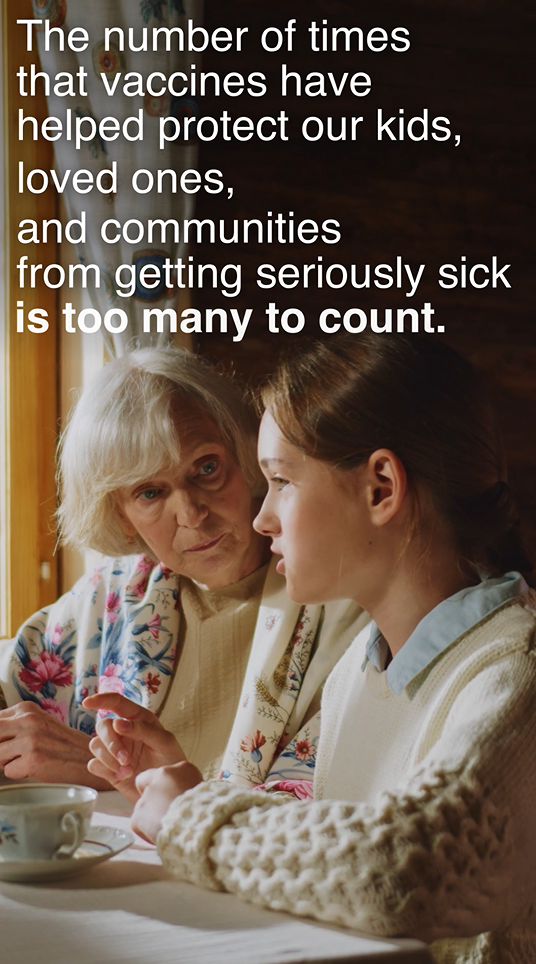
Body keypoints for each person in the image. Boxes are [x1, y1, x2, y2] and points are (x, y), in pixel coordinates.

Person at [106, 333, 536, 964]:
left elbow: (405, 867)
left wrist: (194, 817)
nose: (262, 517)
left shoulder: (513, 675)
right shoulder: (358, 674)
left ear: (381, 488)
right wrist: (195, 789)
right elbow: (338, 863)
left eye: (281, 481)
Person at [0, 347, 366, 791]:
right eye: (150, 493)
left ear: (246, 453)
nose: (192, 513)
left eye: (206, 468)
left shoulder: (337, 593)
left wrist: (97, 769)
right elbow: (12, 685)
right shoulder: (119, 588)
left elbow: (325, 807)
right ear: (120, 515)